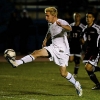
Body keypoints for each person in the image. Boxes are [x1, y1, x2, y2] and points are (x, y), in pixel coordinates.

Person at [5, 7, 82, 96]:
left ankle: (76, 84)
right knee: (36, 52)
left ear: (54, 15)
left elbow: (70, 28)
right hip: (53, 48)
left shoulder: (61, 21)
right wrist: (45, 39)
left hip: (63, 51)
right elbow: (50, 32)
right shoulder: (50, 23)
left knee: (63, 73)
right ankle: (16, 63)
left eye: (47, 15)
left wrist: (62, 26)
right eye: (45, 15)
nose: (46, 18)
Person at [80, 11, 100, 90]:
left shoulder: (97, 28)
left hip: (96, 50)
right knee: (88, 68)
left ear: (93, 19)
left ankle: (98, 84)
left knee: (88, 67)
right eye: (87, 17)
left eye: (90, 17)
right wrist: (80, 38)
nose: (88, 19)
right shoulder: (85, 29)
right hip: (88, 51)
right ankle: (98, 84)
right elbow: (83, 41)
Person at [68, 12, 85, 77]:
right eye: (75, 16)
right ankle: (78, 57)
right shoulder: (71, 25)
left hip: (78, 45)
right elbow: (68, 34)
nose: (76, 18)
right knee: (71, 60)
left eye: (78, 16)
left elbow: (84, 35)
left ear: (80, 17)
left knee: (77, 61)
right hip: (72, 45)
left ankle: (75, 73)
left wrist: (83, 40)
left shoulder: (82, 27)